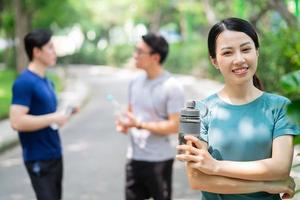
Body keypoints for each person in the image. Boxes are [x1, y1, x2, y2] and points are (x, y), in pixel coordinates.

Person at [176, 17, 300, 200]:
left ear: (257, 52)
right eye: (227, 53)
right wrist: (266, 184)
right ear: (214, 61)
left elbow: (280, 168)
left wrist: (215, 167)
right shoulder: (193, 113)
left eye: (246, 49)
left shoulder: (281, 107)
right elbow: (197, 179)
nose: (239, 59)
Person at [115, 33, 185, 200]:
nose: (135, 55)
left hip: (159, 160)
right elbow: (130, 114)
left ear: (155, 57)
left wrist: (139, 124)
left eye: (140, 52)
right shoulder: (134, 82)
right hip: (133, 158)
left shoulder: (172, 86)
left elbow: (175, 126)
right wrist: (124, 123)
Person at [10, 29, 74, 200]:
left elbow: (45, 114)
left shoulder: (48, 81)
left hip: (54, 153)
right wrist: (53, 118)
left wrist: (63, 114)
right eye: (50, 48)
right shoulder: (24, 82)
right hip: (38, 158)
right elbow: (16, 122)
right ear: (36, 52)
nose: (55, 52)